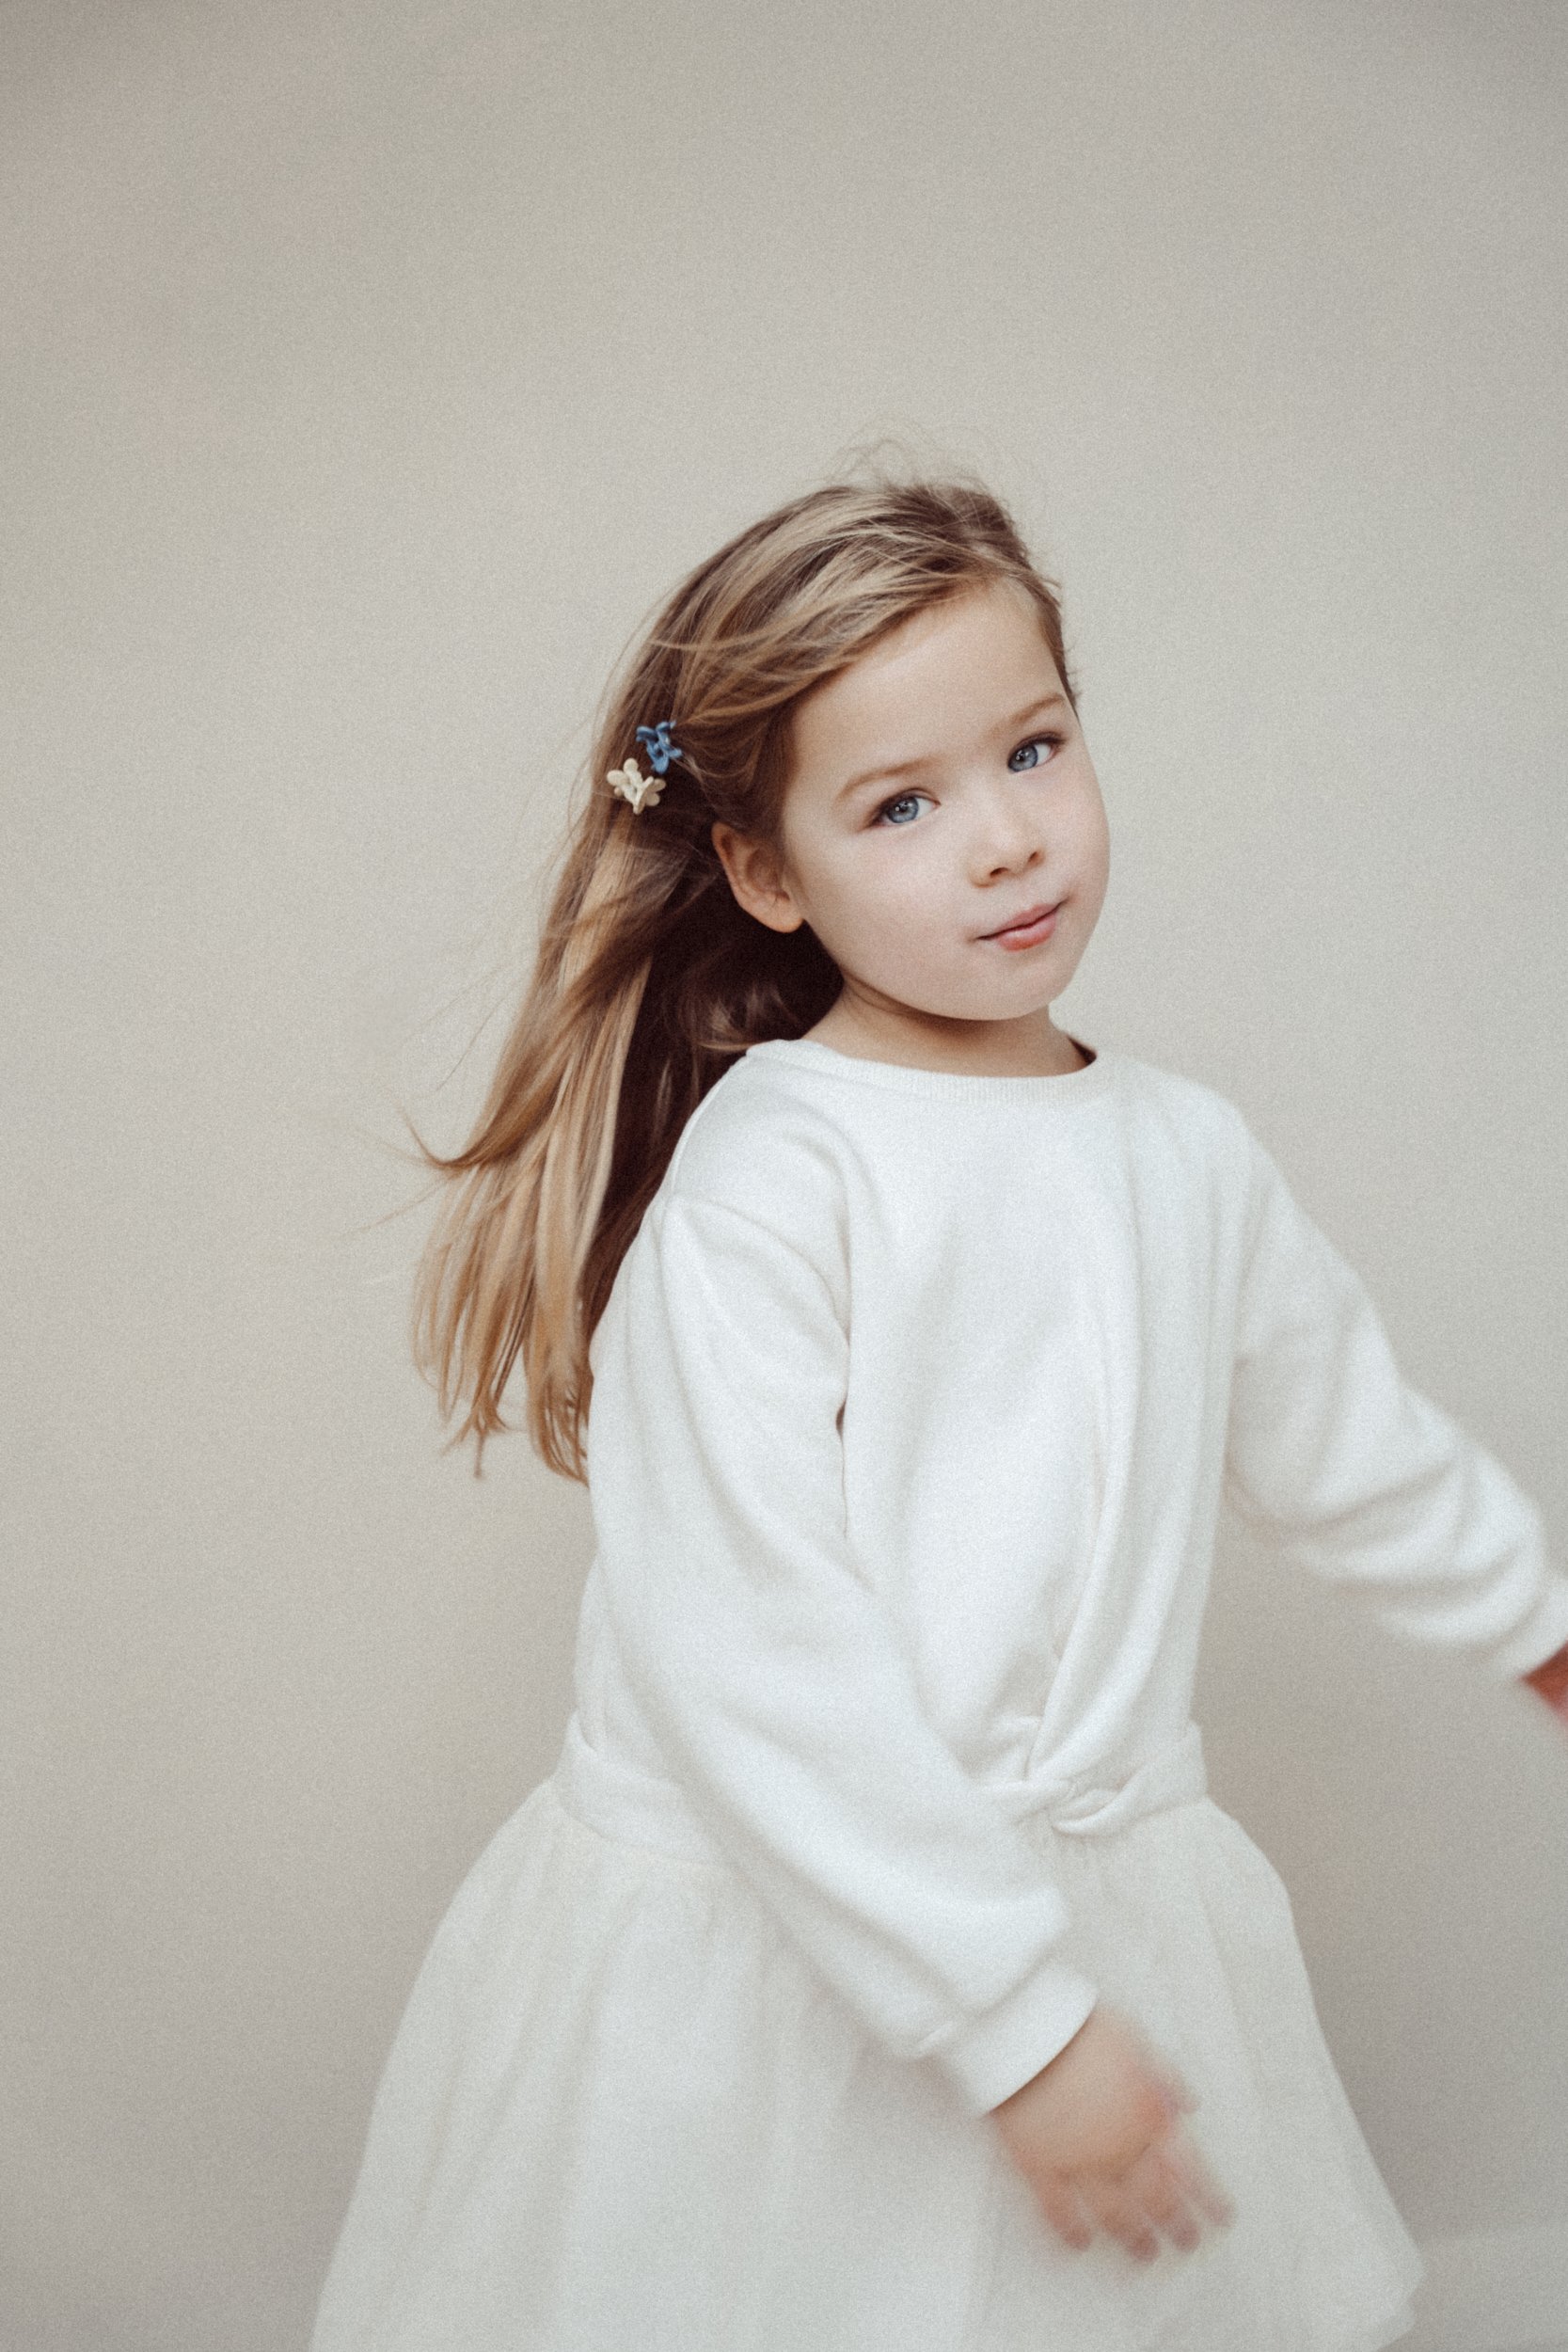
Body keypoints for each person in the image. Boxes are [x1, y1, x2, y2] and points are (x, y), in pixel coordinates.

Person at [309, 475, 1568, 2352]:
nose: (1004, 841)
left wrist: (1537, 1624)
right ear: (765, 868)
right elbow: (749, 1644)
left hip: (1095, 1906)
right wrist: (1012, 2016)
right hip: (795, 1956)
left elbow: (1346, 1441)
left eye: (1034, 749)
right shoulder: (775, 1180)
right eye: (902, 803)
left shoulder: (1184, 1148)